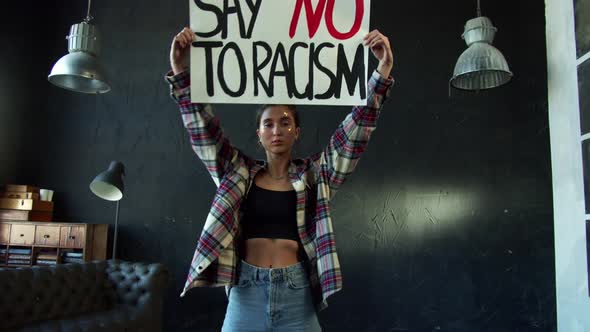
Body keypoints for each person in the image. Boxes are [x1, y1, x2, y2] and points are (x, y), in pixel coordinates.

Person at [167, 26, 394, 331]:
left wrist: (381, 73)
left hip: (296, 294)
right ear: (259, 134)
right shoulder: (237, 173)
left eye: (285, 123)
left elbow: (352, 135)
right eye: (268, 124)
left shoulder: (315, 175)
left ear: (296, 132)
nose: (277, 130)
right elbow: (204, 132)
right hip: (246, 292)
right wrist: (180, 71)